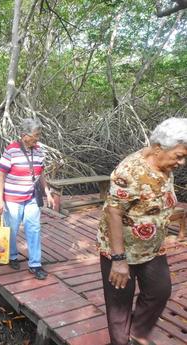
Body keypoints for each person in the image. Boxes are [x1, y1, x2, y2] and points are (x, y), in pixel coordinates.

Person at [97, 118, 187, 345]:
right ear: (158, 148)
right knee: (119, 305)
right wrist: (118, 260)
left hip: (153, 248)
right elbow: (113, 212)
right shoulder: (129, 172)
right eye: (179, 156)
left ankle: (137, 332)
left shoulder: (164, 164)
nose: (182, 162)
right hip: (120, 249)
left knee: (160, 290)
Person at [0, 118, 55, 280]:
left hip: (31, 197)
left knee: (34, 228)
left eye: (39, 134)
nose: (38, 138)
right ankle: (13, 255)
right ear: (24, 135)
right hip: (12, 197)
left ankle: (35, 264)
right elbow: (1, 176)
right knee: (13, 229)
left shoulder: (38, 151)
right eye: (35, 135)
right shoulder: (11, 150)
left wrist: (47, 193)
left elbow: (40, 173)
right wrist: (0, 200)